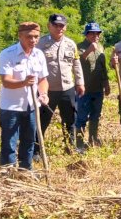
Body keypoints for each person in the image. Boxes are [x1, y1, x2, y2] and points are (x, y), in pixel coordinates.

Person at [0, 22, 49, 169]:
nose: (33, 40)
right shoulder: (7, 54)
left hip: (32, 107)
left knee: (29, 142)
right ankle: (7, 174)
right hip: (12, 108)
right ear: (20, 36)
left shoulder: (39, 55)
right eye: (29, 37)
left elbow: (43, 79)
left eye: (36, 37)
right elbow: (6, 81)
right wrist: (24, 82)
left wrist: (43, 94)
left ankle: (26, 171)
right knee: (9, 143)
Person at [36, 13, 85, 149]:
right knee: (42, 120)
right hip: (47, 90)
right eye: (56, 25)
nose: (59, 28)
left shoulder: (70, 44)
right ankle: (36, 150)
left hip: (67, 88)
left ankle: (70, 146)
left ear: (65, 27)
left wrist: (80, 82)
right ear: (49, 26)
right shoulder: (40, 43)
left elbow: (76, 63)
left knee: (70, 120)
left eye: (62, 26)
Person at [75, 21, 111, 151]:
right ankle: (79, 144)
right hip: (84, 89)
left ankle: (93, 139)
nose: (95, 36)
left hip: (98, 88)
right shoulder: (79, 47)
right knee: (81, 117)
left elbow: (103, 68)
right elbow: (77, 62)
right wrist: (89, 50)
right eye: (92, 33)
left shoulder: (101, 47)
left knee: (96, 115)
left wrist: (106, 84)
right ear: (87, 34)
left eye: (97, 33)